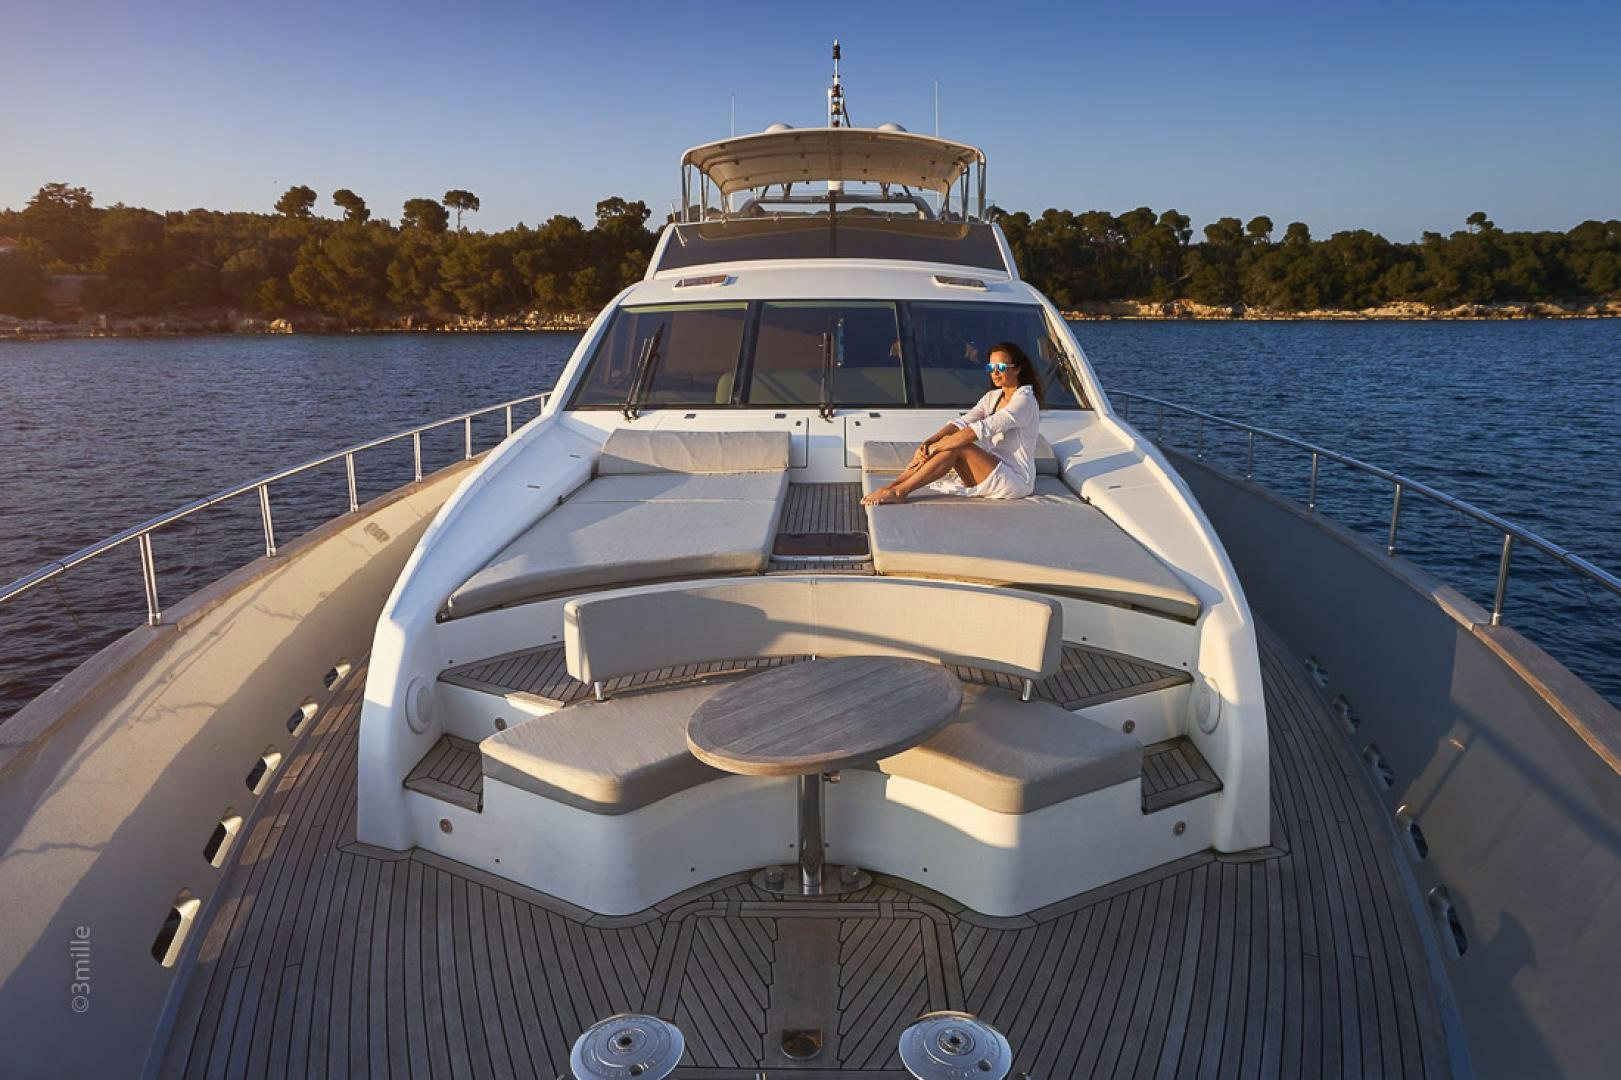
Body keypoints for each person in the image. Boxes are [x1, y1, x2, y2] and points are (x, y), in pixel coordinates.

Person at [861, 341, 1046, 505]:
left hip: (1015, 480)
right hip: (990, 469)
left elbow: (978, 430)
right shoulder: (993, 397)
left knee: (960, 445)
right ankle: (892, 486)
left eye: (1001, 367)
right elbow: (961, 422)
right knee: (950, 442)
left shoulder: (1024, 401)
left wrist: (937, 447)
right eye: (991, 368)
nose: (995, 373)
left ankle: (899, 492)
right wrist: (928, 443)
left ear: (1017, 368)